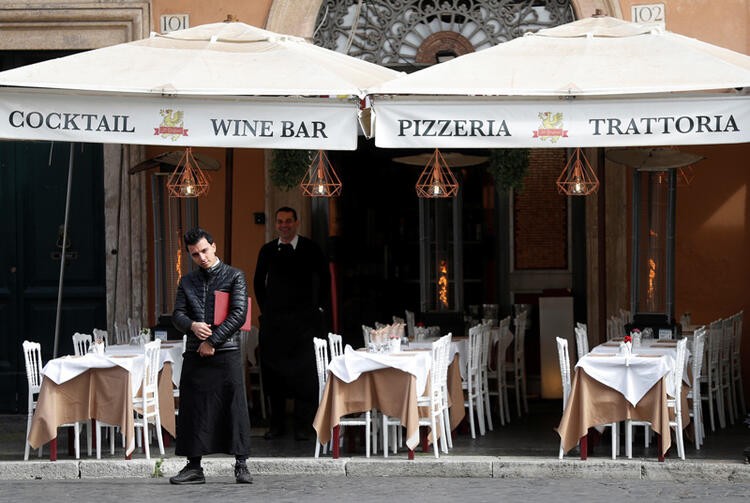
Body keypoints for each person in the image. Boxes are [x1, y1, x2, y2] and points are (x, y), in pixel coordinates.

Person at [169, 227, 252, 485]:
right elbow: (177, 315)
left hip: (225, 352)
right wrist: (193, 327)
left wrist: (213, 341)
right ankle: (194, 467)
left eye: (204, 251)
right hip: (196, 352)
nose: (201, 257)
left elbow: (239, 314)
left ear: (214, 246)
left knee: (234, 406)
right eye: (195, 254)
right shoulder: (187, 282)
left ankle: (241, 465)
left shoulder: (235, 276)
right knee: (193, 408)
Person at [253, 207, 330, 441]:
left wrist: (319, 308)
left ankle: (303, 426)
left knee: (305, 376)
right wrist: (266, 311)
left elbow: (325, 279)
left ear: (297, 222)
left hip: (305, 325)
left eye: (288, 221)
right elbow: (258, 282)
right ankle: (276, 426)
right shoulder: (267, 250)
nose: (284, 225)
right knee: (274, 376)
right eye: (280, 222)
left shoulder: (311, 248)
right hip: (275, 326)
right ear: (276, 225)